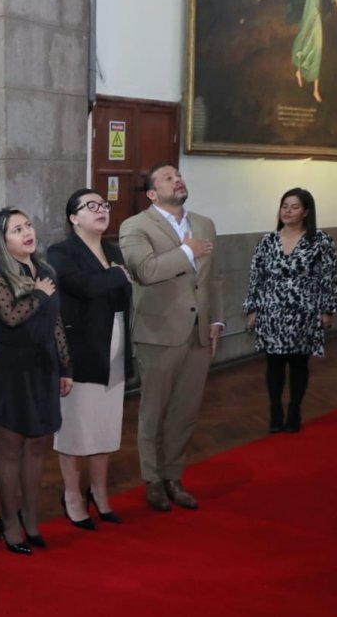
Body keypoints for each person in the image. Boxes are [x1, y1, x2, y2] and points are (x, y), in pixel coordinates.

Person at [119, 163, 224, 512]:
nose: (177, 179)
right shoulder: (135, 226)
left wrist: (216, 321)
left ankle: (174, 476)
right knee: (154, 411)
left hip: (198, 333)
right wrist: (188, 251)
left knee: (185, 411)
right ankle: (151, 480)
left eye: (178, 175)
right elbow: (146, 271)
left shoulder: (204, 223)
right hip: (158, 333)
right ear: (151, 193)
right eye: (167, 177)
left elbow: (213, 279)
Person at [0, 207, 71, 554]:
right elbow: (11, 317)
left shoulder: (44, 269)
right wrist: (40, 295)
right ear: (2, 239)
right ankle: (9, 520)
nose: (27, 232)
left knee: (37, 449)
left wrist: (66, 366)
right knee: (11, 450)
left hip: (43, 366)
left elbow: (56, 322)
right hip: (11, 370)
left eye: (27, 225)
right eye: (17, 229)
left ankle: (31, 518)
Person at [48, 189, 133, 529]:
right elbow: (82, 287)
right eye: (91, 206)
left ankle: (99, 492)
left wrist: (112, 276)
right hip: (81, 348)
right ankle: (71, 494)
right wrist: (116, 275)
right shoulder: (60, 252)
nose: (101, 210)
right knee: (76, 427)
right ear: (73, 217)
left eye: (104, 205)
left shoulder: (114, 250)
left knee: (106, 426)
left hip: (114, 342)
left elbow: (116, 293)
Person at [243, 187, 337, 433]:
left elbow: (329, 277)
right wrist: (253, 309)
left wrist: (328, 309)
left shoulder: (320, 241)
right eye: (284, 206)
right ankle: (275, 411)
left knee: (299, 363)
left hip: (305, 312)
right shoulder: (267, 241)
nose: (287, 211)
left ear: (306, 211)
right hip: (272, 311)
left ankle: (295, 409)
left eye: (294, 206)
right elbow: (256, 276)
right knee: (274, 364)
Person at [285, 0, 337, 103]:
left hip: (319, 2)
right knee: (312, 37)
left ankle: (308, 79)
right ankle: (302, 72)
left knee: (314, 41)